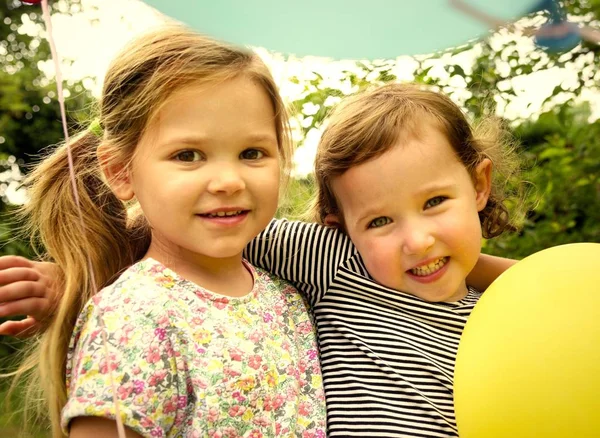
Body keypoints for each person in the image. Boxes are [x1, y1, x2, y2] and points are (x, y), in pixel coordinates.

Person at [1, 25, 327, 438]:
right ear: (121, 172)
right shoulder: (131, 317)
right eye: (187, 155)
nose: (228, 180)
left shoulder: (291, 295)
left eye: (252, 153)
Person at [243, 83, 525, 436]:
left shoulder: (509, 314)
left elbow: (562, 288)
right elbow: (226, 226)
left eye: (434, 201)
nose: (418, 242)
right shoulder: (340, 263)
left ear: (478, 184)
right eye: (379, 221)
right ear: (339, 228)